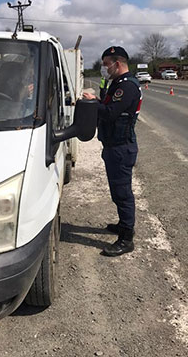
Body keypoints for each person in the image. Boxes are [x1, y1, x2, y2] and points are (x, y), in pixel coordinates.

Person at [82, 46, 142, 257]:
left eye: (106, 64)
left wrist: (92, 104)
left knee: (123, 193)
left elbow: (110, 113)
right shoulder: (116, 83)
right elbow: (108, 105)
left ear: (117, 64)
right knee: (117, 191)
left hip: (121, 147)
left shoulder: (127, 86)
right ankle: (123, 224)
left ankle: (126, 239)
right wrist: (97, 100)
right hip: (113, 145)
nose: (104, 68)